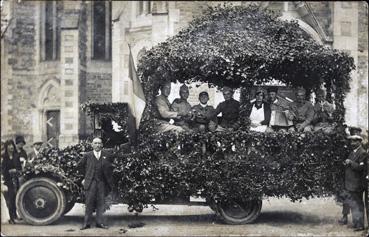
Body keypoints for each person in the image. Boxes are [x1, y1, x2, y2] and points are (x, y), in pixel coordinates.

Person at [76, 137, 114, 230]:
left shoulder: (106, 155)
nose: (97, 145)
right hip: (91, 182)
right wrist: (84, 177)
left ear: (102, 145)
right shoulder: (87, 155)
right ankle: (86, 224)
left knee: (101, 203)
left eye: (99, 143)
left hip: (101, 182)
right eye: (95, 143)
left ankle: (99, 223)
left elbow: (111, 167)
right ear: (92, 145)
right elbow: (79, 166)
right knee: (89, 203)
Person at [341, 134, 368, 231]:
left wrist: (350, 163)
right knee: (353, 204)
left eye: (355, 141)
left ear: (360, 142)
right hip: (350, 183)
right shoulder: (352, 152)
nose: (352, 143)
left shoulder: (363, 153)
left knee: (358, 204)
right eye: (351, 141)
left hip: (357, 184)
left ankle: (360, 225)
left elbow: (361, 168)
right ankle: (356, 223)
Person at [1, 139, 22, 224]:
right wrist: (8, 172)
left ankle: (15, 215)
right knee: (10, 198)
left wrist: (16, 171)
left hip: (16, 180)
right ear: (6, 147)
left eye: (12, 145)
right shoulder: (4, 157)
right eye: (9, 145)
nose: (11, 147)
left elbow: (20, 169)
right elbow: (3, 170)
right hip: (8, 180)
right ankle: (11, 218)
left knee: (16, 196)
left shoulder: (16, 156)